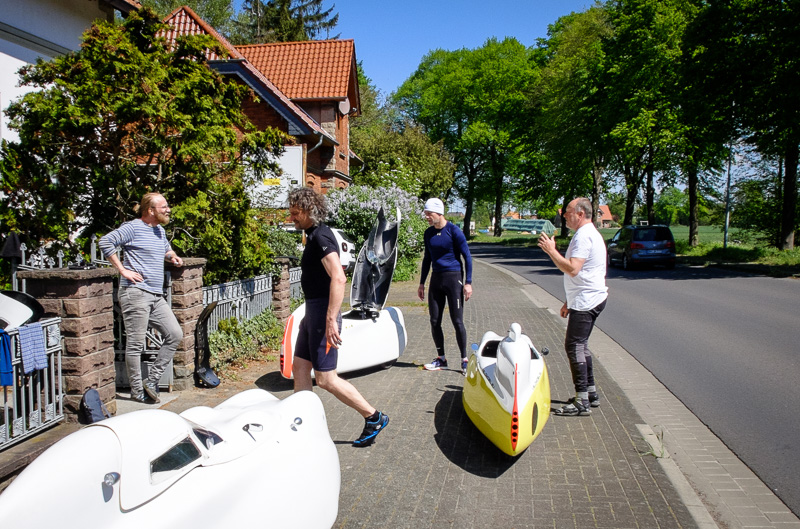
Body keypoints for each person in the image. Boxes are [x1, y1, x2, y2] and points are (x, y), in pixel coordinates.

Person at [288, 187, 389, 447]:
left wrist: (331, 319)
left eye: (296, 213)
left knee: (325, 379)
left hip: (324, 316)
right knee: (299, 368)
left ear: (310, 210)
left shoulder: (321, 236)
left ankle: (374, 416)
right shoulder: (311, 236)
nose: (292, 218)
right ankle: (304, 426)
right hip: (314, 313)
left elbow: (339, 277)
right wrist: (309, 316)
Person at [99, 192, 183, 404]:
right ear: (150, 210)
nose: (167, 210)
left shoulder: (159, 230)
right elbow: (105, 242)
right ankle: (137, 391)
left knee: (175, 334)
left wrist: (172, 255)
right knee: (135, 345)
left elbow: (165, 248)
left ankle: (152, 380)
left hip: (155, 294)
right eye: (163, 207)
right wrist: (122, 270)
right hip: (135, 292)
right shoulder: (132, 227)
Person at [537, 197, 608, 416]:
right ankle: (591, 394)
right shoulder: (588, 234)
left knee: (574, 346)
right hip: (586, 298)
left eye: (567, 212)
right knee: (581, 345)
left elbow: (573, 269)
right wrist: (570, 300)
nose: (564, 215)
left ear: (579, 213)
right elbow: (586, 272)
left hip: (587, 301)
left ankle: (582, 401)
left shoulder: (584, 236)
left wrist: (551, 251)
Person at [417, 198, 473, 375]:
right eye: (425, 214)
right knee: (434, 321)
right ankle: (441, 359)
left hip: (453, 278)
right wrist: (421, 283)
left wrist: (468, 283)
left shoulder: (454, 231)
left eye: (429, 214)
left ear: (439, 213)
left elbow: (468, 257)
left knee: (457, 321)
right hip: (436, 279)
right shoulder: (428, 233)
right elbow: (427, 259)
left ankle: (464, 360)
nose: (426, 217)